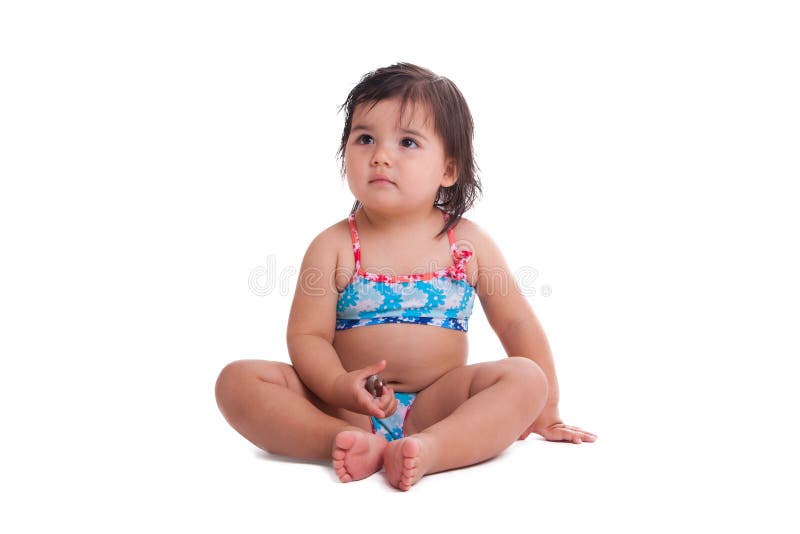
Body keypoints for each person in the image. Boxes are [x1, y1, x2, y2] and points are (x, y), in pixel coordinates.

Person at [215, 62, 596, 491]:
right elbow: (308, 337)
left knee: (527, 378)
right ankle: (343, 442)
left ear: (448, 170)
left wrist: (547, 411)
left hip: (438, 405)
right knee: (237, 380)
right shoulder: (335, 245)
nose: (381, 154)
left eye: (408, 142)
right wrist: (339, 386)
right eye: (365, 138)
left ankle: (432, 448)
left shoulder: (467, 244)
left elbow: (516, 322)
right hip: (345, 405)